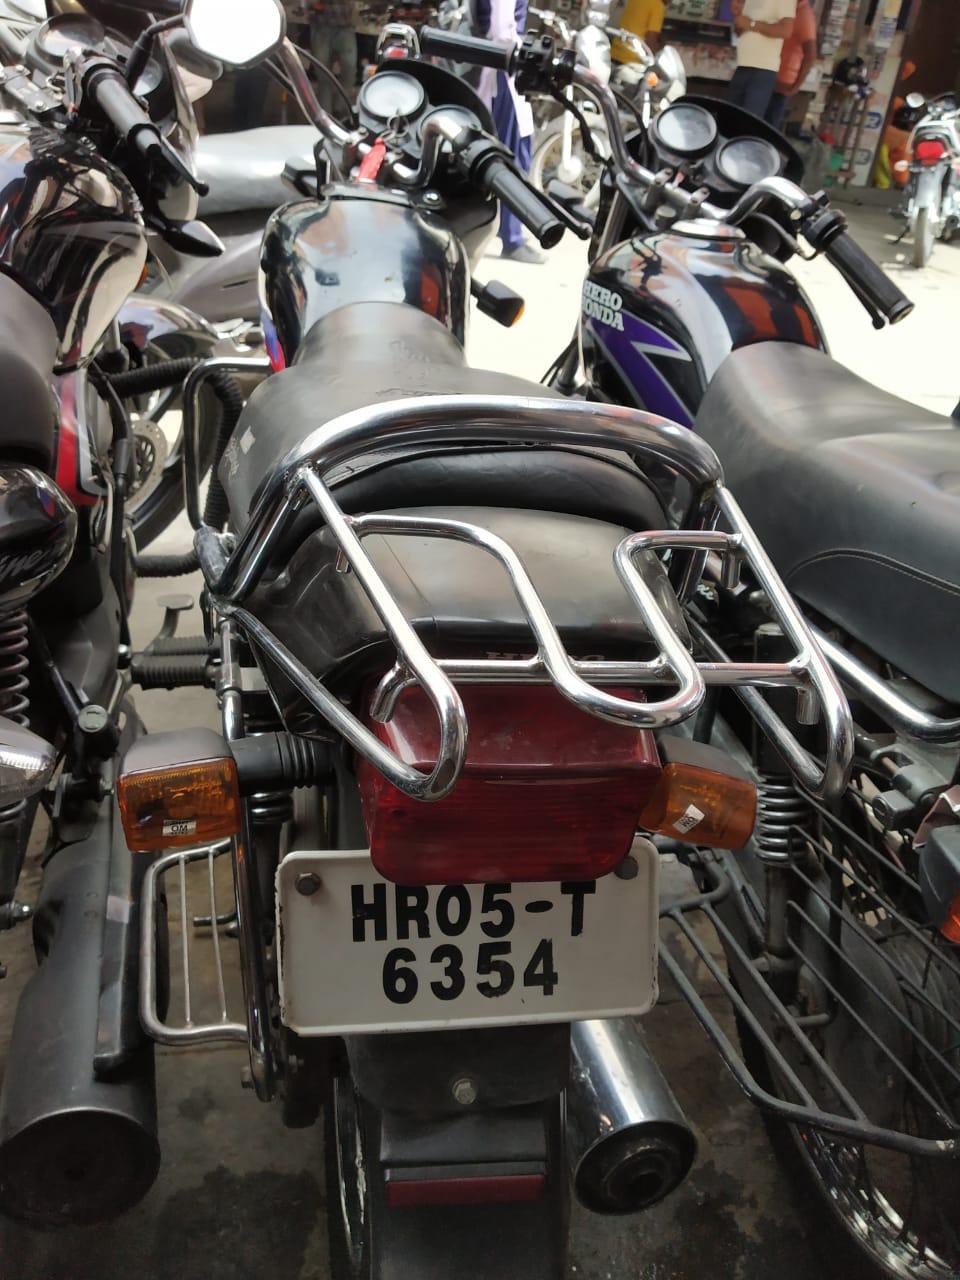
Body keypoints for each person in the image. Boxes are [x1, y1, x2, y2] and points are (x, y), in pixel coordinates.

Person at [476, 0, 543, 263]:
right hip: (506, 68)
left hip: (503, 67)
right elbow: (502, 28)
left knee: (508, 152)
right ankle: (512, 237)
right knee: (513, 155)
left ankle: (510, 231)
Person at [727, 0, 795, 119]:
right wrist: (738, 15)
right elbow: (741, 30)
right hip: (743, 64)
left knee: (749, 121)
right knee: (729, 117)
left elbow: (786, 31)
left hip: (763, 69)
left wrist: (752, 24)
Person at [765, 0, 817, 131]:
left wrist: (796, 86)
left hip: (781, 80)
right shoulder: (784, 7)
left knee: (767, 127)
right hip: (767, 72)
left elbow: (810, 55)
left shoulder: (803, 14)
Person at [309, 0, 358, 119]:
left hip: (345, 27)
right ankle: (325, 116)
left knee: (350, 71)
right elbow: (313, 5)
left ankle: (339, 108)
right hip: (321, 28)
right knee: (323, 74)